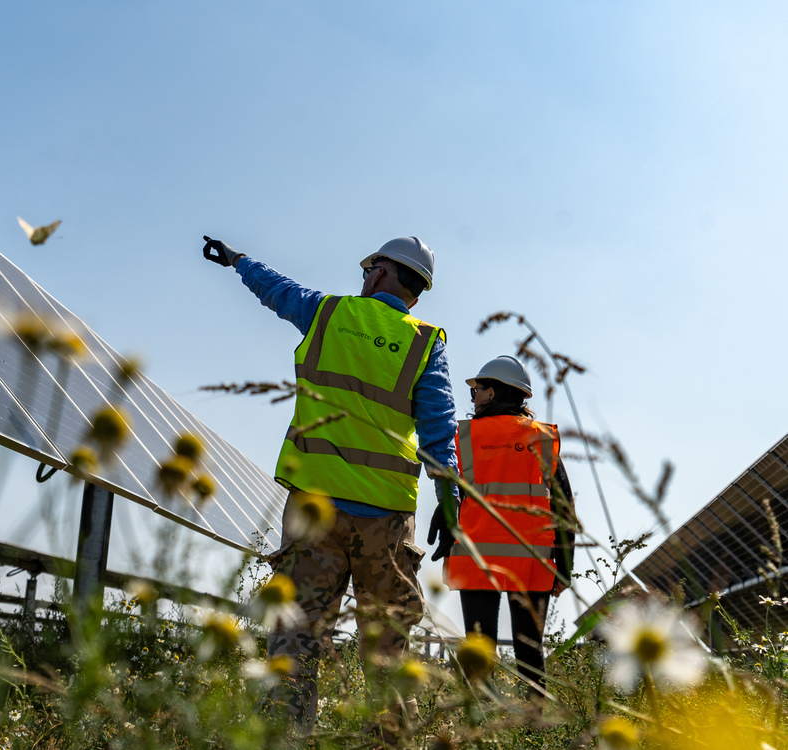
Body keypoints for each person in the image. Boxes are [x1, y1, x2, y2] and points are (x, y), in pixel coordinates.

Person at [202, 235, 458, 726]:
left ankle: (284, 738)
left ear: (380, 273)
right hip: (385, 523)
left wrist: (238, 260)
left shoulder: (328, 314)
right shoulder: (426, 343)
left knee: (293, 643)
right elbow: (439, 433)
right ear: (418, 293)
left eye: (370, 268)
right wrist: (450, 506)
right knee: (388, 653)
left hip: (313, 512)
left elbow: (277, 289)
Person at [427, 355, 575, 695]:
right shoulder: (543, 438)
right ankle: (534, 729)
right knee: (530, 654)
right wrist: (564, 568)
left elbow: (454, 491)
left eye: (476, 390)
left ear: (492, 392)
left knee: (478, 651)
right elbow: (564, 507)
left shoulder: (464, 436)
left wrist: (447, 517)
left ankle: (477, 728)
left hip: (476, 559)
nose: (474, 398)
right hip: (531, 562)